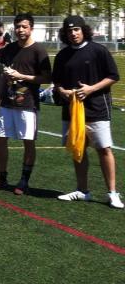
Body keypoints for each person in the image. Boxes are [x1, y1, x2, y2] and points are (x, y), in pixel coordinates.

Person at [51, 15, 122, 209]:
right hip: (72, 110)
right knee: (78, 149)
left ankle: (112, 193)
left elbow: (114, 76)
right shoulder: (62, 55)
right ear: (65, 34)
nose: (73, 33)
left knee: (104, 149)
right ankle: (82, 191)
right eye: (69, 31)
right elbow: (56, 82)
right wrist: (62, 91)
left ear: (84, 30)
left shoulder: (98, 50)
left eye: (76, 30)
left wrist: (91, 89)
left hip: (97, 107)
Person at [0, 13, 51, 195]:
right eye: (18, 27)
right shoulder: (9, 49)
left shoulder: (39, 50)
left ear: (31, 27)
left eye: (24, 26)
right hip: (7, 103)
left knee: (28, 142)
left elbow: (47, 78)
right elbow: (4, 76)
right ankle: (1, 177)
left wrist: (22, 77)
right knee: (0, 139)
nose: (20, 30)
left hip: (28, 105)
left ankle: (24, 180)